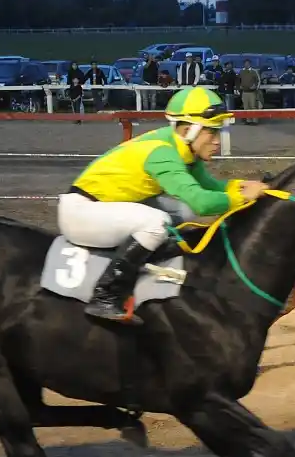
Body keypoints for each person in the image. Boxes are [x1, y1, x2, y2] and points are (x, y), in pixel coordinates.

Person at [58, 86, 269, 324]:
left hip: (103, 207)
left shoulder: (183, 149)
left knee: (180, 212)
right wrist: (244, 198)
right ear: (190, 130)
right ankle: (106, 296)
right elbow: (202, 203)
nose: (217, 142)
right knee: (158, 222)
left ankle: (149, 267)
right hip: (82, 214)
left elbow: (210, 187)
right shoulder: (163, 153)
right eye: (212, 133)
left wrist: (245, 186)